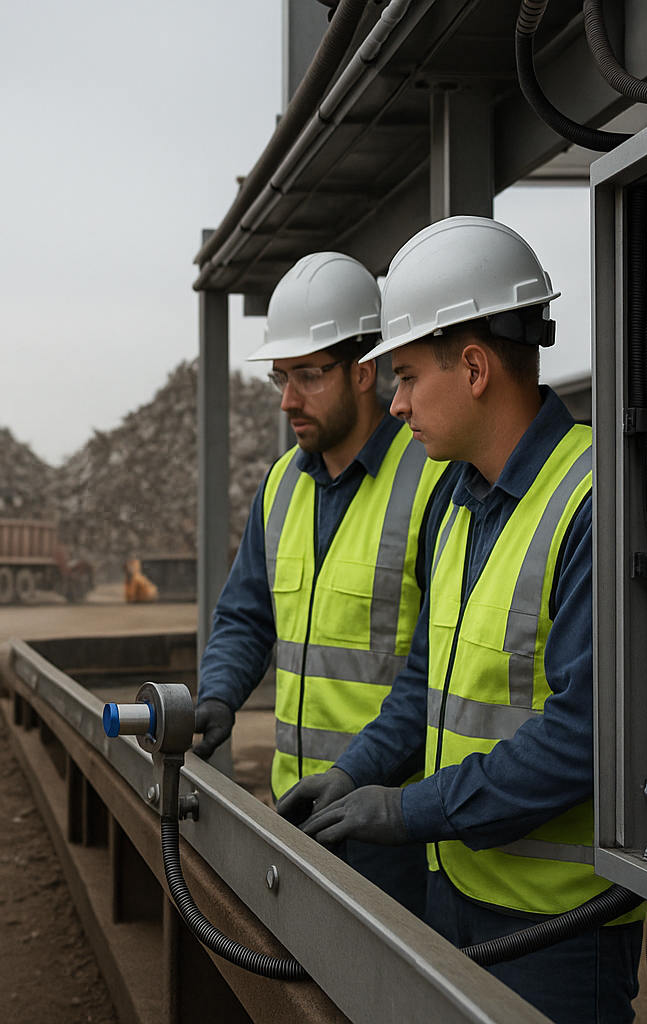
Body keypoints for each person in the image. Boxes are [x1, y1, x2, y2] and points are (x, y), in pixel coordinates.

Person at [277, 217, 641, 1024]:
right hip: (457, 892)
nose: (396, 403)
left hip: (560, 930)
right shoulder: (455, 501)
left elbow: (584, 737)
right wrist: (358, 770)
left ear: (473, 366)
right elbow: (422, 684)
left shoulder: (591, 502)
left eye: (405, 376)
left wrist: (409, 810)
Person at [192, 251, 456, 917]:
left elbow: (436, 671)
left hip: (391, 824)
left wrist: (366, 781)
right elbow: (247, 616)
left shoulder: (433, 480)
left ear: (364, 371)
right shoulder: (282, 484)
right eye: (282, 377)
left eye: (309, 376)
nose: (287, 400)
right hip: (299, 807)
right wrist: (218, 695)